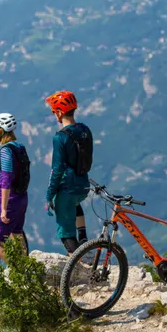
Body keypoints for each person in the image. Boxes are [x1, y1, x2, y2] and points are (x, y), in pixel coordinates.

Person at [44, 90, 94, 255]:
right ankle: (84, 237)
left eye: (54, 112)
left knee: (66, 233)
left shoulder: (60, 138)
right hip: (83, 186)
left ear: (59, 113)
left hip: (68, 189)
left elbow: (56, 170)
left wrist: (49, 196)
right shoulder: (85, 129)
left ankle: (79, 264)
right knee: (75, 204)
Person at [0, 112, 30, 262]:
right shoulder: (19, 147)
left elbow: (6, 180)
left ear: (1, 130)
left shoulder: (5, 151)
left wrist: (3, 209)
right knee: (17, 236)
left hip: (9, 202)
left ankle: (20, 272)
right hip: (22, 198)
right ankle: (28, 271)